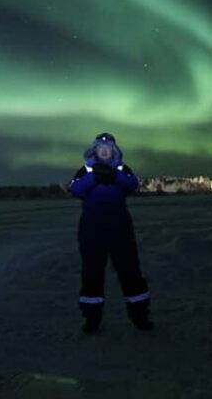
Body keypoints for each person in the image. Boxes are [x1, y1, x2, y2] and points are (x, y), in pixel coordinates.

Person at [69, 132, 154, 333]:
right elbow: (76, 190)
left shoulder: (123, 169)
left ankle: (140, 316)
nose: (105, 150)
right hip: (91, 231)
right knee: (92, 275)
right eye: (100, 147)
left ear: (114, 151)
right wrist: (93, 177)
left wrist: (115, 175)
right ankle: (91, 319)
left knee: (130, 272)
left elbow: (132, 185)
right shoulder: (84, 170)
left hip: (120, 230)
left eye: (109, 148)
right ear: (95, 150)